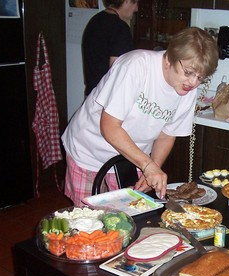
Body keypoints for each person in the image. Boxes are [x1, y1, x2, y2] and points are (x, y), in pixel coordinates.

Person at [63, 26, 219, 205]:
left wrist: (154, 166)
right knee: (89, 221)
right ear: (169, 60)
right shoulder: (135, 66)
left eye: (201, 78)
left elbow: (167, 134)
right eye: (189, 73)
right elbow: (109, 126)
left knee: (128, 215)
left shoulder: (186, 88)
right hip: (89, 149)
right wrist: (148, 166)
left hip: (132, 157)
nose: (193, 83)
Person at [81, 0, 138, 97]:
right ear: (127, 1)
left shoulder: (94, 20)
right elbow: (116, 73)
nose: (136, 8)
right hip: (105, 99)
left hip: (91, 94)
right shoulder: (120, 28)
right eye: (135, 3)